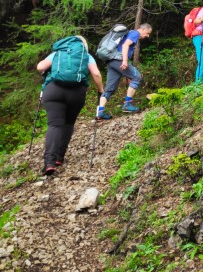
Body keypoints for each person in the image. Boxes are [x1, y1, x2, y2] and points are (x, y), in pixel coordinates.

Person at [37, 36, 104, 175]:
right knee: (68, 124)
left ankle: (49, 162)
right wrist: (100, 90)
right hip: (77, 93)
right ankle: (59, 158)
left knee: (55, 125)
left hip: (54, 90)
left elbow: (40, 67)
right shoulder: (85, 56)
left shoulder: (58, 52)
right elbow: (96, 74)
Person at [96, 23, 152, 120]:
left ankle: (100, 112)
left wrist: (127, 75)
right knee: (137, 77)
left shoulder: (129, 33)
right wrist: (125, 61)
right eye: (147, 33)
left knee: (110, 88)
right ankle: (127, 104)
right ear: (142, 29)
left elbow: (121, 46)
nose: (147, 36)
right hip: (118, 59)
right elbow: (126, 45)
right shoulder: (135, 33)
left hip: (111, 61)